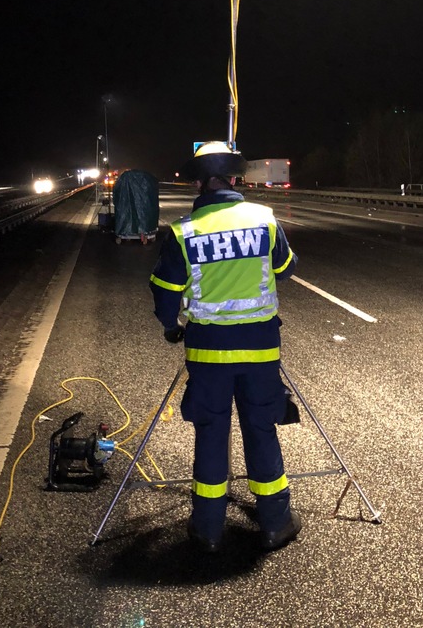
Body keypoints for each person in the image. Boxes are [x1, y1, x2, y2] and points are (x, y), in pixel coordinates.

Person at [149, 141, 300, 553]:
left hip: (208, 353)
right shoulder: (265, 220)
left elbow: (165, 292)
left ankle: (208, 530)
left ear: (199, 183)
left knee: (211, 435)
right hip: (260, 352)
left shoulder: (183, 232)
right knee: (261, 430)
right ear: (235, 179)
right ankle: (275, 523)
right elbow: (286, 269)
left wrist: (171, 327)